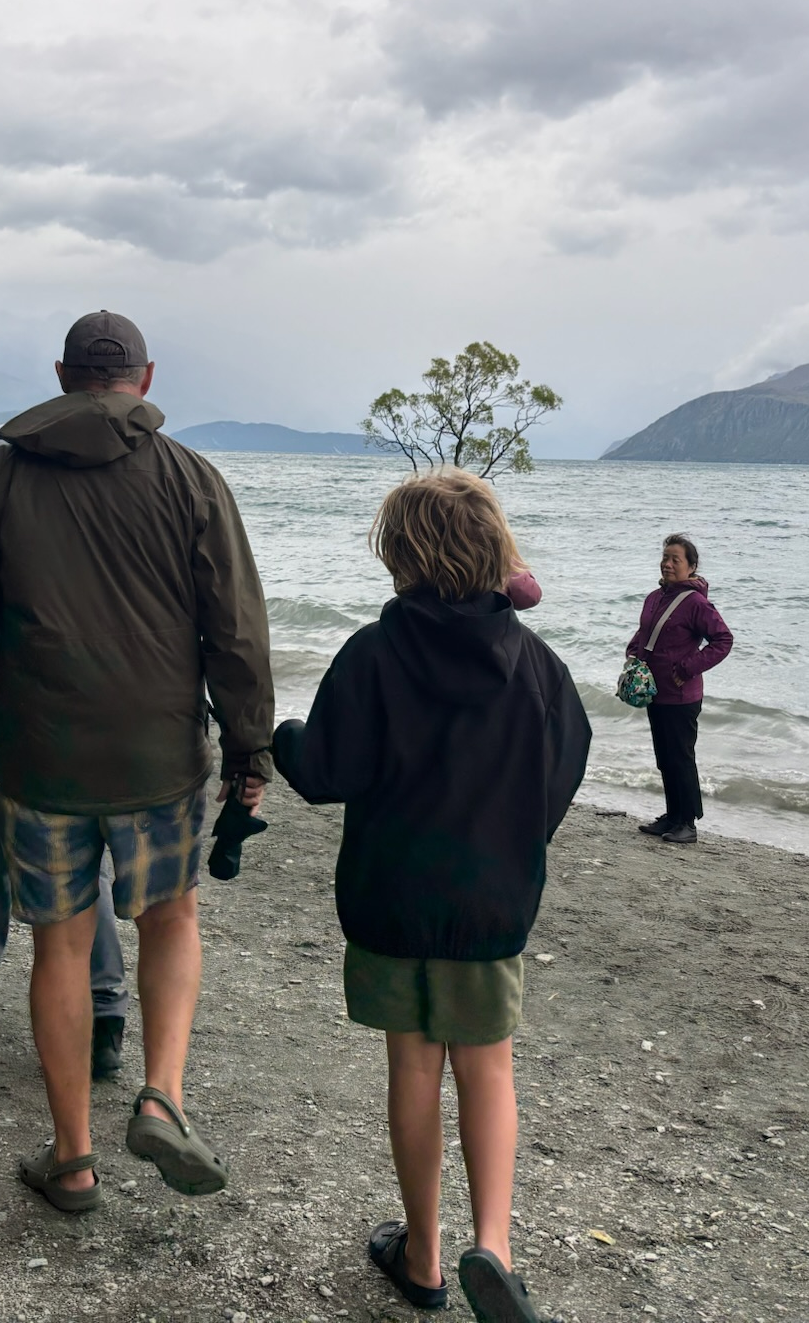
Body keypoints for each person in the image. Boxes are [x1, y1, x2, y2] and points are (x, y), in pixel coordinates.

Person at [0, 310, 273, 1214]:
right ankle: (161, 1094)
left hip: (40, 758)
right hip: (160, 754)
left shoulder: (3, 475)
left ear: (61, 374)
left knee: (62, 947)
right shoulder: (193, 477)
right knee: (170, 919)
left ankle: (73, 1159)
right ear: (145, 380)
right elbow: (235, 629)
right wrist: (251, 747)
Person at [274, 468, 589, 1323]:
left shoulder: (374, 654)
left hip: (392, 898)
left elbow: (325, 772)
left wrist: (283, 737)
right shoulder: (538, 667)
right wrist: (514, 841)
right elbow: (562, 772)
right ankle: (495, 1247)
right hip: (490, 906)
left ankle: (421, 1257)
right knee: (487, 1069)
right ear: (497, 553)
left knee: (413, 1066)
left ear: (399, 556)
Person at [0, 433, 131, 1081]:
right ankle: (104, 1008)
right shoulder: (91, 541)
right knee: (81, 860)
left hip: (8, 720)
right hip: (88, 722)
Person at [626, 534, 732, 844]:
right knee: (665, 756)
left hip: (682, 694)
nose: (668, 563)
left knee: (681, 757)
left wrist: (686, 668)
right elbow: (646, 632)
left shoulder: (696, 603)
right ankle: (672, 816)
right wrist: (634, 652)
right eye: (665, 557)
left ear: (692, 567)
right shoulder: (655, 597)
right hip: (655, 691)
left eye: (676, 559)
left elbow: (723, 641)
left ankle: (688, 822)